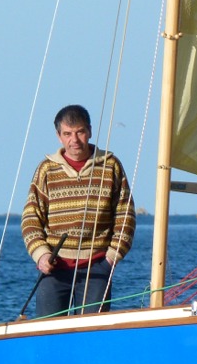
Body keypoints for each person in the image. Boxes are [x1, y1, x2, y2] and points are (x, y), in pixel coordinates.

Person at [21, 104, 136, 317]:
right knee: (48, 333)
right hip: (55, 268)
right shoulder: (46, 169)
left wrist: (111, 257)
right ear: (59, 136)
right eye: (67, 134)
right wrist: (41, 255)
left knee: (90, 334)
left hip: (98, 268)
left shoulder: (111, 166)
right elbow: (31, 218)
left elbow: (125, 215)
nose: (74, 140)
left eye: (80, 132)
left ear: (89, 131)